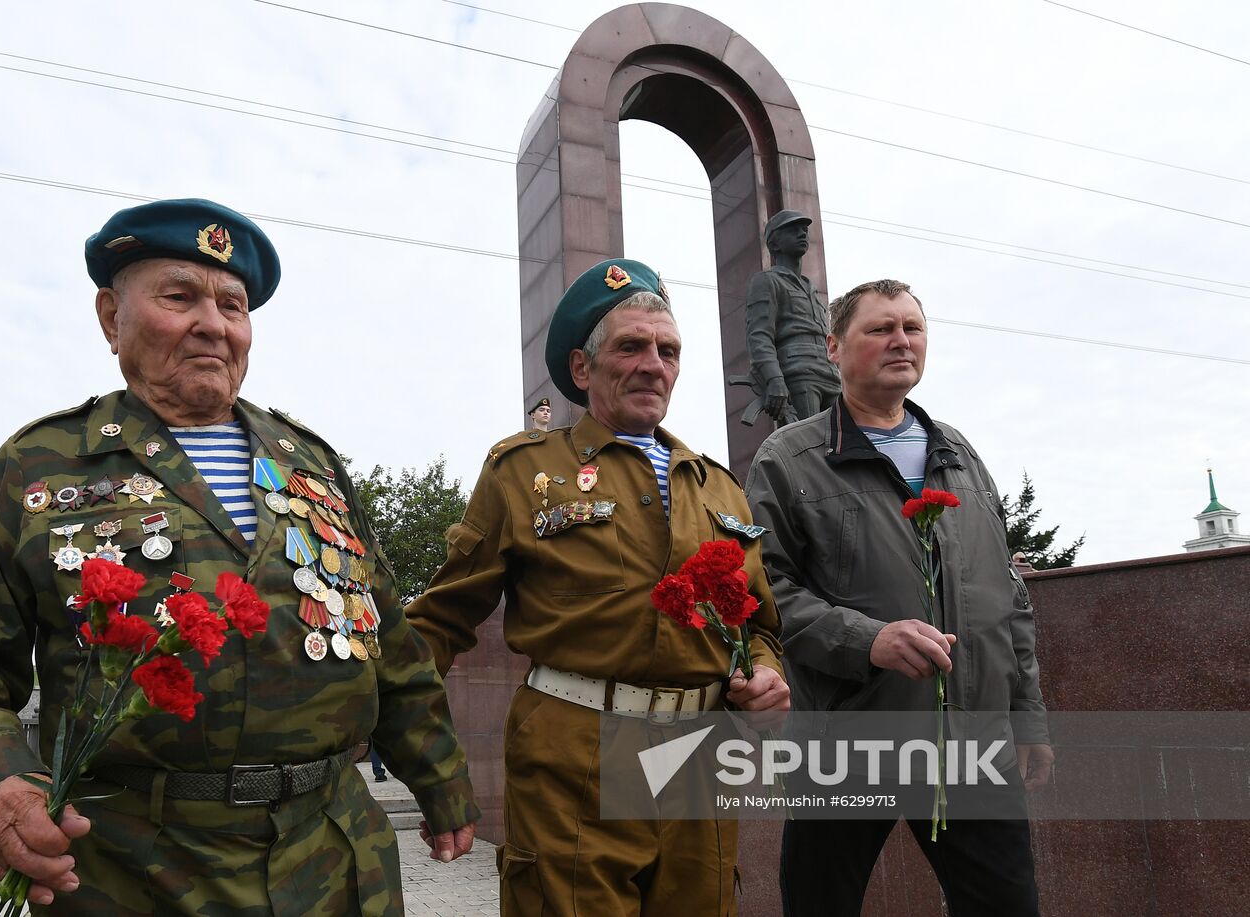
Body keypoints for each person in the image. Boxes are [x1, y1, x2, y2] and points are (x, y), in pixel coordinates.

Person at [0, 198, 479, 916]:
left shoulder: (312, 464)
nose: (213, 322)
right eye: (180, 296)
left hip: (330, 857)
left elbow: (391, 645)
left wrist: (440, 778)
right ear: (111, 317)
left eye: (233, 304)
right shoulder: (42, 464)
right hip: (132, 870)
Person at [406, 258, 790, 915]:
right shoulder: (524, 471)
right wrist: (410, 745)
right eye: (631, 346)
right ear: (583, 370)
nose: (653, 363)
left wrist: (763, 670)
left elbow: (756, 625)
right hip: (572, 753)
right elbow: (440, 620)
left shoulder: (720, 487)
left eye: (667, 349)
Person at [745, 279, 1053, 917]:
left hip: (972, 742)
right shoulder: (791, 459)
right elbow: (766, 591)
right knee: (820, 903)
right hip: (848, 741)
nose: (901, 341)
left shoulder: (960, 454)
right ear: (833, 347)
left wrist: (1027, 716)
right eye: (880, 329)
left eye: (912, 328)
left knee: (1007, 904)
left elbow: (1007, 597)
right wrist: (867, 640)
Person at [742, 210, 840, 425]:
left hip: (831, 375)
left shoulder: (811, 287)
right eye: (793, 230)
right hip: (799, 374)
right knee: (808, 446)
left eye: (804, 230)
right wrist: (774, 378)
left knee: (844, 446)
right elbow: (759, 336)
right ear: (774, 244)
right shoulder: (766, 282)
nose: (802, 233)